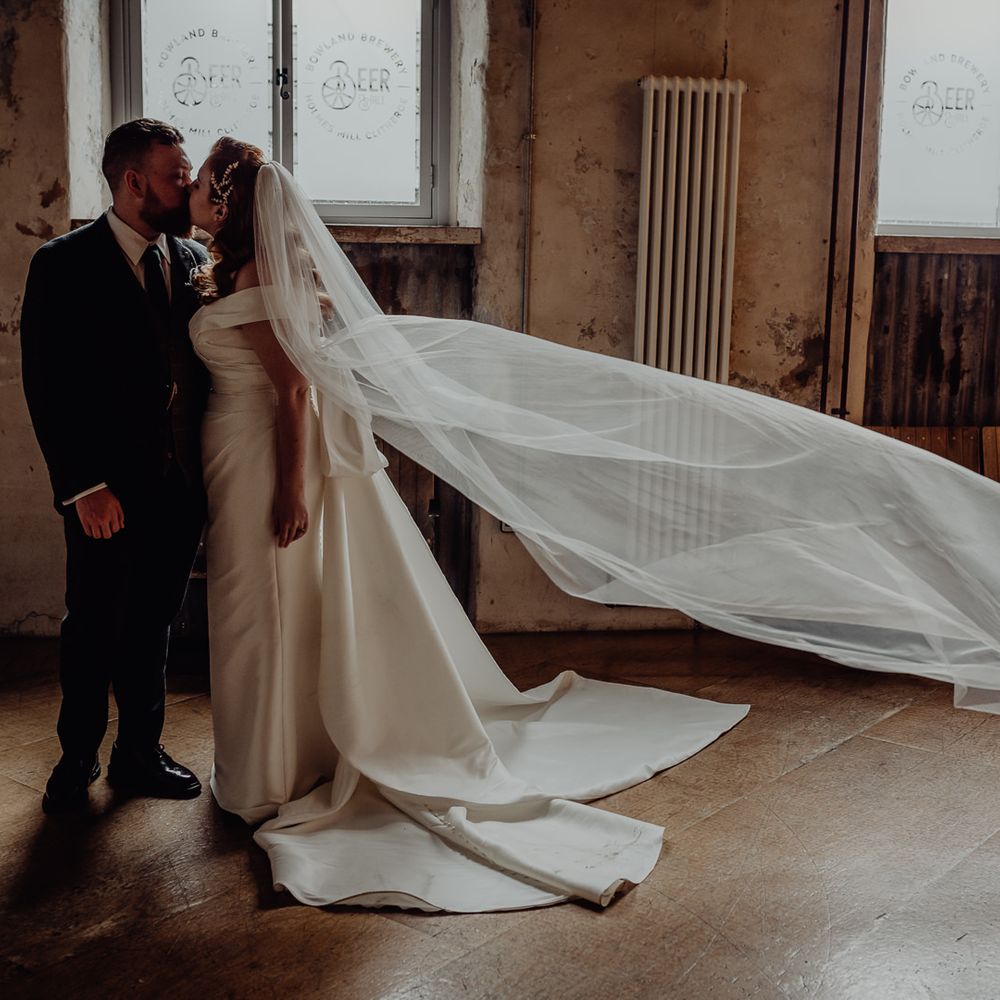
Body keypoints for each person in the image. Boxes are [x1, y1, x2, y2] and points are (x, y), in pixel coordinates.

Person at [186, 138, 748, 912]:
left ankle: (267, 777)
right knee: (259, 614)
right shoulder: (237, 268)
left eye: (200, 177)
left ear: (224, 200)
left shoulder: (254, 275)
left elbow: (288, 395)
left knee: (261, 614)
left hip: (261, 464)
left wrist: (289, 490)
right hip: (238, 458)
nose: (188, 183)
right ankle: (276, 760)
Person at [20, 119, 209, 814]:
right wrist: (82, 487)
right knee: (93, 622)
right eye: (175, 175)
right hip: (105, 489)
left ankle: (140, 753)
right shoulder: (63, 263)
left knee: (154, 621)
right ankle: (77, 756)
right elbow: (47, 383)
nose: (187, 187)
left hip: (180, 486)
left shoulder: (192, 259)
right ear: (133, 182)